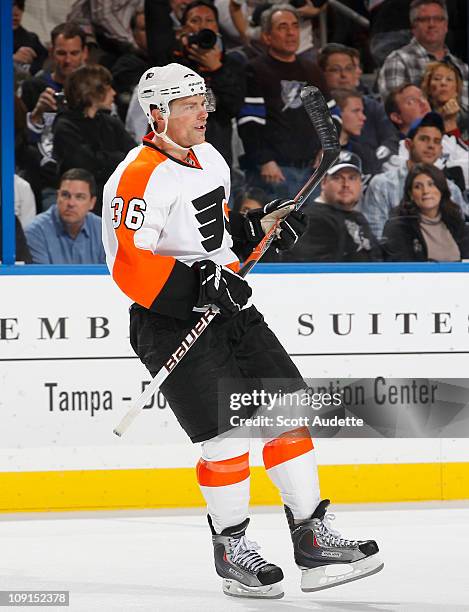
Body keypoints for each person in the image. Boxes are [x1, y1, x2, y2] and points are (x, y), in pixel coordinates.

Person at [102, 62, 383, 599]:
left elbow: (218, 230)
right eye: (188, 105)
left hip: (228, 308)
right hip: (168, 321)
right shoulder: (135, 177)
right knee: (226, 437)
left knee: (288, 412)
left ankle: (312, 538)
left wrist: (261, 226)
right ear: (157, 114)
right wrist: (199, 283)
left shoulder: (209, 158)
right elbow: (130, 267)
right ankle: (232, 548)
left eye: (202, 101)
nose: (203, 112)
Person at [127, 0, 245, 166]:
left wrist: (217, 69)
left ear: (218, 28)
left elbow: (232, 107)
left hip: (213, 159)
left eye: (209, 20)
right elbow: (157, 23)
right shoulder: (171, 62)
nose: (202, 26)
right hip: (171, 158)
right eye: (195, 20)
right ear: (183, 29)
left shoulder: (231, 64)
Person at [237, 6, 328, 198]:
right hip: (275, 172)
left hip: (312, 172)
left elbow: (331, 114)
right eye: (282, 27)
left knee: (311, 227)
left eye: (295, 26)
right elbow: (249, 122)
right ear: (267, 37)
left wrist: (326, 150)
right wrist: (264, 160)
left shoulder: (313, 71)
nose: (291, 32)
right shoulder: (254, 70)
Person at [362, 111, 467, 238]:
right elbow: (376, 236)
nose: (431, 146)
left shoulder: (451, 190)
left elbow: (460, 237)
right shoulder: (382, 184)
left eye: (436, 141)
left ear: (441, 150)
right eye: (424, 139)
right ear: (408, 144)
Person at [20, 22, 88, 210]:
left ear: (85, 54)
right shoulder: (33, 87)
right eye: (61, 53)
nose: (68, 60)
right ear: (51, 53)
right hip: (45, 179)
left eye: (74, 53)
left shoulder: (93, 90)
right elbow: (21, 142)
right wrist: (37, 114)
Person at [53, 64, 135, 214]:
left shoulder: (110, 122)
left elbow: (135, 158)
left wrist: (107, 160)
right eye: (108, 88)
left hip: (116, 199)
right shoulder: (65, 126)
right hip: (82, 203)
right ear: (92, 93)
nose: (114, 93)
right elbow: (86, 164)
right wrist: (118, 159)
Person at [282, 153, 382, 262]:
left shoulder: (358, 217)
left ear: (361, 183)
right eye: (337, 178)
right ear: (323, 183)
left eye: (352, 178)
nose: (346, 184)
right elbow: (313, 272)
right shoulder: (310, 219)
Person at [377, 0, 469, 111]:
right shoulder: (398, 61)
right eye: (424, 20)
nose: (432, 24)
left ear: (446, 26)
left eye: (438, 19)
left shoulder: (462, 68)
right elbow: (396, 114)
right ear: (413, 27)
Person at [318, 43, 397, 168]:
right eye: (335, 70)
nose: (343, 75)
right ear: (321, 73)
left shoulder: (373, 108)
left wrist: (376, 160)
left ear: (356, 72)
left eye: (349, 68)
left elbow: (390, 140)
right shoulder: (313, 109)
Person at [382, 163, 469, 261]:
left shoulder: (456, 224)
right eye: (418, 187)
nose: (426, 191)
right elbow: (403, 270)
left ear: (441, 189)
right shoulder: (397, 228)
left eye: (431, 184)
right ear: (411, 194)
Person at [24, 168, 105, 264]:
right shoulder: (36, 232)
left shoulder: (103, 230)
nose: (71, 203)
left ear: (92, 202)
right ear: (57, 196)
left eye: (79, 197)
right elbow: (42, 278)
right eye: (65, 195)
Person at [421, 61, 469, 144]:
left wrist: (451, 124)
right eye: (437, 79)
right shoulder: (421, 115)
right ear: (428, 88)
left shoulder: (466, 116)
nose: (443, 83)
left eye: (449, 79)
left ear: (457, 89)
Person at [13, 0, 48, 79]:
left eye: (20, 7)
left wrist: (31, 70)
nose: (15, 14)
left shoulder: (31, 38)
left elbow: (44, 57)